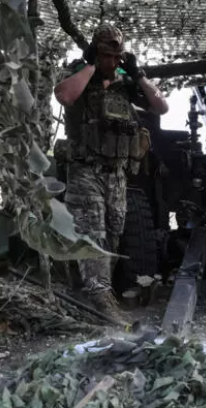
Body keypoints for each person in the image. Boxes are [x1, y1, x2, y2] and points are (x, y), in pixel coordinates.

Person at [53, 23, 169, 315]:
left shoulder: (124, 83)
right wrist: (91, 65)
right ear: (95, 53)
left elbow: (161, 107)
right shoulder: (81, 73)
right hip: (85, 172)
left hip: (116, 175)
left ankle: (92, 294)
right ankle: (102, 303)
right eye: (107, 56)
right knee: (92, 233)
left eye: (118, 57)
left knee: (113, 236)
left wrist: (137, 74)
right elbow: (65, 96)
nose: (113, 62)